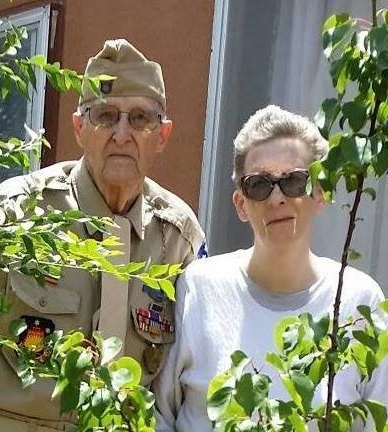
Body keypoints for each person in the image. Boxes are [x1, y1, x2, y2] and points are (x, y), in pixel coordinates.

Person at [0, 39, 204, 432]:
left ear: (163, 135)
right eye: (105, 116)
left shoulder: (177, 237)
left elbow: (191, 375)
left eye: (140, 118)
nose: (122, 134)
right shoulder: (21, 211)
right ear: (79, 128)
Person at [153, 105, 388, 431]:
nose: (277, 198)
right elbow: (158, 416)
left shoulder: (359, 302)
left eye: (294, 181)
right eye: (259, 184)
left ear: (320, 193)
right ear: (241, 204)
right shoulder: (198, 288)